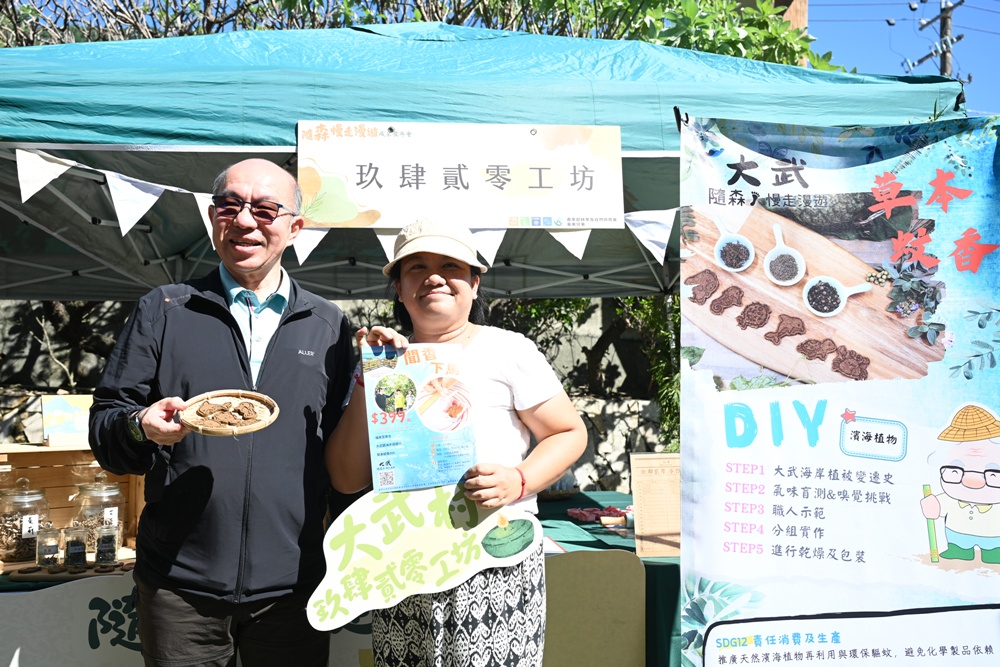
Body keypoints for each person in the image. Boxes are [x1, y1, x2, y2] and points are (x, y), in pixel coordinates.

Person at [88, 158, 354, 667]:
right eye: (230, 205)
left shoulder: (327, 325)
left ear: (295, 228)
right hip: (179, 585)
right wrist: (140, 428)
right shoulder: (166, 309)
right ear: (213, 219)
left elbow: (345, 454)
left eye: (266, 209)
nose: (246, 221)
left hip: (292, 587)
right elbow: (107, 426)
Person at [325, 219, 588, 667]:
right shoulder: (382, 362)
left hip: (493, 556)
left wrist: (519, 479)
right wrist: (370, 379)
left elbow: (569, 432)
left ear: (474, 283)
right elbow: (346, 478)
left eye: (451, 266)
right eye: (417, 268)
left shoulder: (509, 350)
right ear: (399, 287)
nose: (433, 277)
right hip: (404, 563)